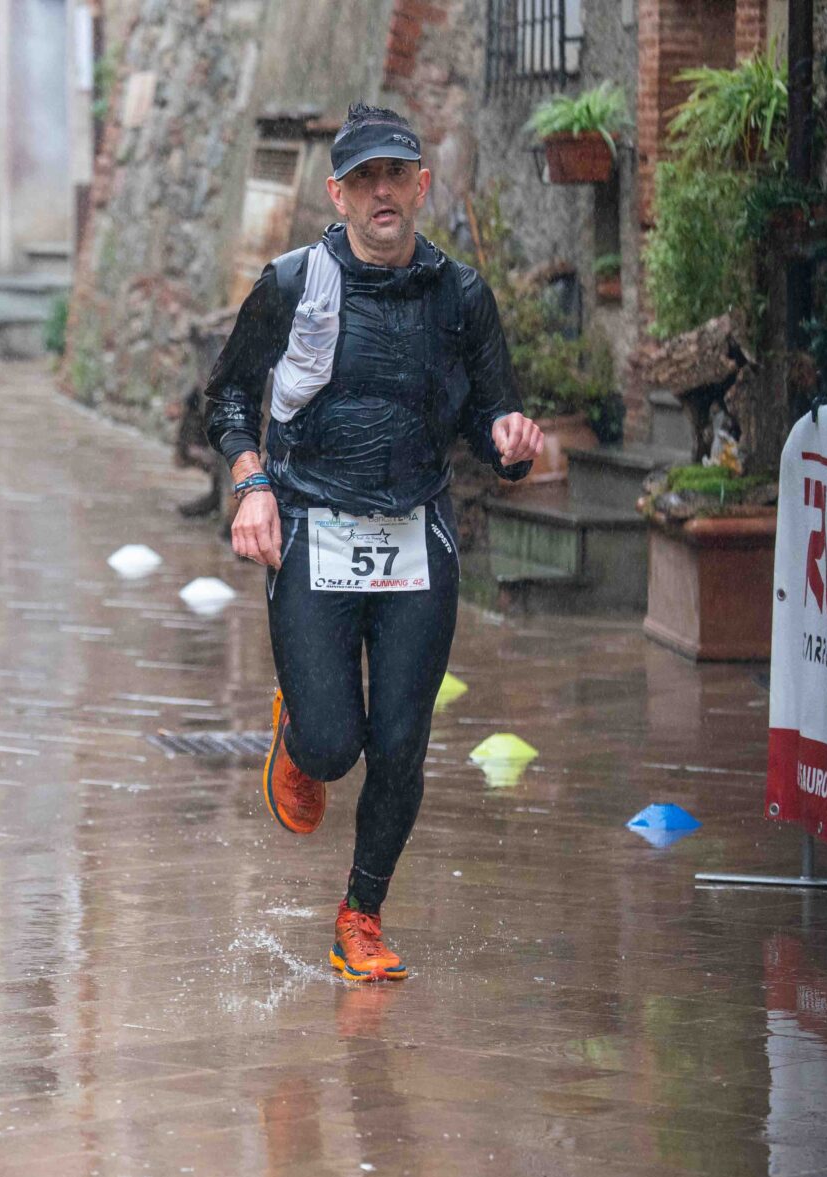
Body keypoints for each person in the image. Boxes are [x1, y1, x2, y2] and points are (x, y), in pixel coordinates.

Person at [205, 102, 544, 982]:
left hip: (416, 534)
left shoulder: (461, 297)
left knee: (399, 743)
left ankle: (360, 916)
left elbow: (491, 415)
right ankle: (299, 737)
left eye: (396, 174)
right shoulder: (292, 284)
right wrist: (251, 483)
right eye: (364, 179)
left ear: (422, 185)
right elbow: (229, 397)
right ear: (339, 194)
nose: (381, 192)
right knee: (333, 744)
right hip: (312, 526)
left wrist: (510, 439)